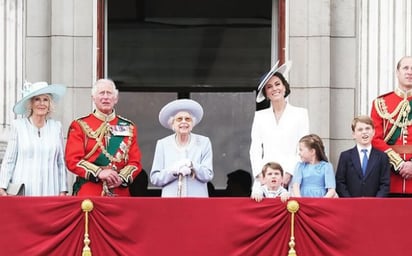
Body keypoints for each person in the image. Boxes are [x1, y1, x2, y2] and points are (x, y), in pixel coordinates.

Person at [65, 78, 142, 196]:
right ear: (93, 98)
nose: (105, 97)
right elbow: (72, 160)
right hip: (90, 192)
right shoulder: (80, 125)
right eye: (101, 93)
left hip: (119, 192)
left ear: (115, 99)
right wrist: (99, 173)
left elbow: (135, 162)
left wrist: (121, 178)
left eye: (109, 93)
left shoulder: (129, 127)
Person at [250, 60, 309, 194]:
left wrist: (289, 172)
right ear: (266, 93)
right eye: (269, 87)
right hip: (265, 176)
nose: (274, 89)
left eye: (277, 84)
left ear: (284, 87)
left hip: (292, 176)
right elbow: (255, 149)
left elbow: (303, 147)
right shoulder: (260, 116)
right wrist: (261, 175)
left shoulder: (300, 114)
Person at [0, 81, 68, 196]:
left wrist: (63, 190)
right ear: (30, 103)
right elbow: (9, 160)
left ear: (50, 104)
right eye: (37, 99)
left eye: (45, 99)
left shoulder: (56, 127)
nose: (41, 103)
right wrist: (2, 186)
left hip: (51, 190)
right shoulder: (18, 126)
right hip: (24, 191)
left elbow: (61, 162)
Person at [150, 99, 213, 197]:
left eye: (188, 119)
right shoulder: (163, 144)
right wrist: (173, 171)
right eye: (179, 119)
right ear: (172, 123)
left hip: (197, 202)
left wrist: (192, 165)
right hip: (170, 203)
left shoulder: (204, 142)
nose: (184, 122)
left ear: (192, 123)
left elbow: (208, 175)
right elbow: (155, 178)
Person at [370, 56, 412, 196]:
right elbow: (375, 139)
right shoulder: (381, 103)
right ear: (397, 72)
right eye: (405, 68)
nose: (409, 72)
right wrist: (399, 164)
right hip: (389, 177)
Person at [335, 116, 390, 197]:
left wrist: (376, 202)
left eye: (367, 128)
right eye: (360, 129)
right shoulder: (345, 156)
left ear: (373, 132)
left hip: (375, 205)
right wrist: (350, 202)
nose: (364, 132)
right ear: (354, 134)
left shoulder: (382, 157)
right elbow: (340, 182)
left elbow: (385, 184)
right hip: (351, 205)